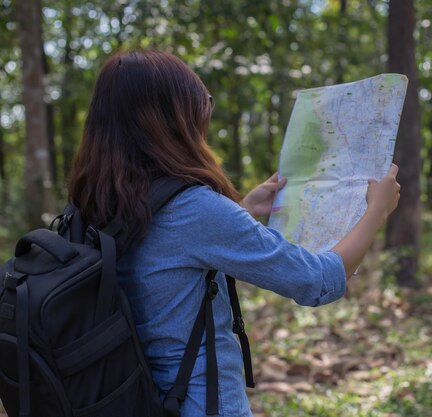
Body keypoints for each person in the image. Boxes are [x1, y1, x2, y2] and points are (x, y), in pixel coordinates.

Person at [68, 50, 400, 417]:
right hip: (198, 403)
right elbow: (317, 281)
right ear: (176, 118)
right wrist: (376, 211)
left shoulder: (93, 200)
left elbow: (164, 258)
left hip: (130, 398)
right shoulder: (194, 208)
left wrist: (240, 212)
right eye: (203, 103)